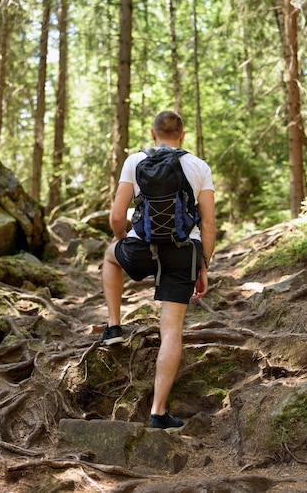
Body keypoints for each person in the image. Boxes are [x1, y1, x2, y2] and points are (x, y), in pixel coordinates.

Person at [101, 110, 216, 432]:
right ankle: (157, 412)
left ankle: (113, 326)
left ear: (153, 134)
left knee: (110, 258)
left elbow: (116, 216)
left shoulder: (135, 161)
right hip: (184, 252)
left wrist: (125, 240)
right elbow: (208, 223)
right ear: (182, 135)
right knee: (171, 330)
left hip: (141, 246)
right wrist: (203, 264)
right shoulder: (198, 166)